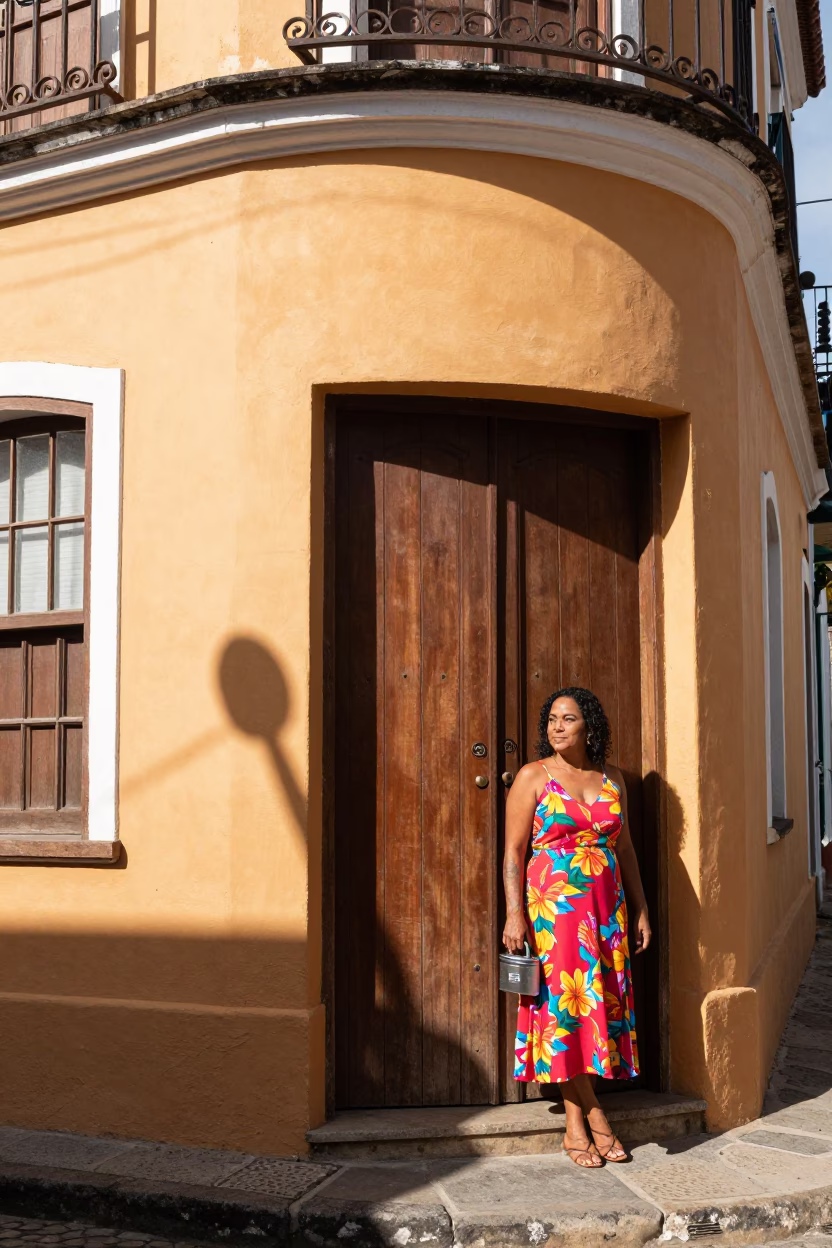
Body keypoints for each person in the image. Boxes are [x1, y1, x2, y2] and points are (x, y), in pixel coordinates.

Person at [502, 687, 651, 1168]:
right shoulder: (532, 776)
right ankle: (588, 1119)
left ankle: (579, 1121)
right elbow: (513, 854)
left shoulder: (613, 779)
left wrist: (642, 909)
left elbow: (625, 850)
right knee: (564, 1012)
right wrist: (513, 913)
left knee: (594, 1009)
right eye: (551, 719)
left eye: (568, 718)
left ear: (590, 726)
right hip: (555, 913)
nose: (557, 727)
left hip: (607, 914)